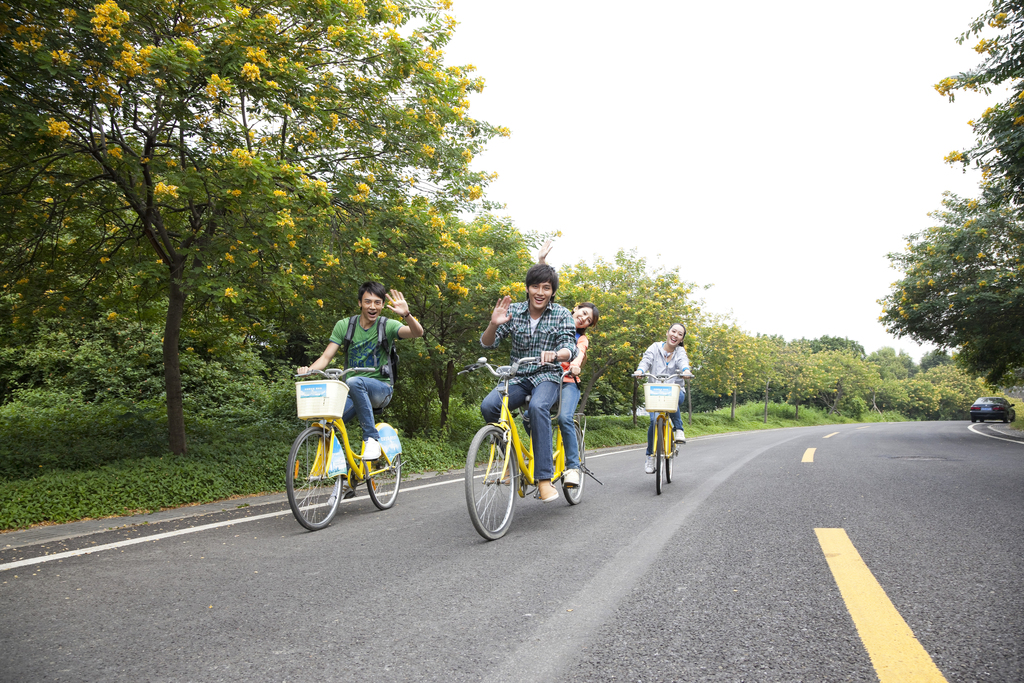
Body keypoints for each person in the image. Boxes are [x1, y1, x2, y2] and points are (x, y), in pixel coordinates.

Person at [480, 263, 577, 502]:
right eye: (535, 286)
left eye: (546, 287)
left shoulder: (561, 314)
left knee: (537, 407)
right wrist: (493, 323)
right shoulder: (514, 311)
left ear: (553, 291)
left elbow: (569, 347)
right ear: (527, 288)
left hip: (547, 375)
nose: (540, 292)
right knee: (489, 406)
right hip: (519, 376)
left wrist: (556, 354)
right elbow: (487, 343)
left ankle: (544, 480)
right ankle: (513, 461)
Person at [298, 282, 424, 461]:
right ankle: (344, 477)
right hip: (352, 392)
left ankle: (371, 438)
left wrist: (407, 315)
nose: (372, 306)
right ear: (360, 303)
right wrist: (308, 371)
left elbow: (417, 332)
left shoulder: (386, 326)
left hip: (381, 389)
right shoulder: (345, 326)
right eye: (368, 302)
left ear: (381, 305)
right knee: (329, 424)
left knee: (354, 381)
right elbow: (326, 358)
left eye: (377, 302)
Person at [633, 322, 693, 475]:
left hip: (675, 391)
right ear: (667, 333)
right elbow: (646, 360)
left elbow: (682, 362)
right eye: (674, 331)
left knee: (673, 400)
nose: (676, 335)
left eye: (680, 334)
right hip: (655, 393)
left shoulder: (680, 351)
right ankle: (650, 456)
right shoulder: (654, 347)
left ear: (681, 339)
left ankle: (679, 430)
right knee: (653, 421)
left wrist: (685, 370)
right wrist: (641, 370)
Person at [556, 302, 599, 487]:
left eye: (588, 320)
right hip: (546, 381)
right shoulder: (555, 324)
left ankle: (573, 467)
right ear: (575, 309)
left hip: (568, 382)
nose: (583, 319)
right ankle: (543, 456)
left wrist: (575, 365)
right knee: (528, 417)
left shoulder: (581, 339)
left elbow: (579, 353)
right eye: (583, 313)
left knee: (564, 418)